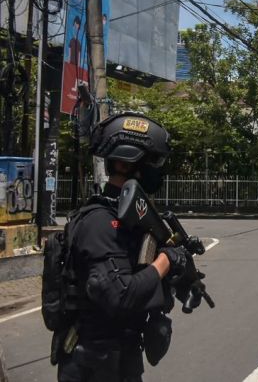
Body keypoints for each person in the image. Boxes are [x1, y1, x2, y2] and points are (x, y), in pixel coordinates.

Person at [55, 112, 189, 382]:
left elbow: (141, 275)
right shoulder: (100, 222)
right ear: (129, 163)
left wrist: (181, 278)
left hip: (120, 358)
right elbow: (121, 295)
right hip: (93, 363)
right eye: (153, 161)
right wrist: (166, 261)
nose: (157, 170)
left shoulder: (127, 218)